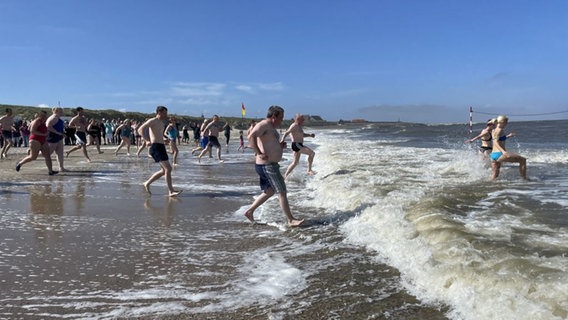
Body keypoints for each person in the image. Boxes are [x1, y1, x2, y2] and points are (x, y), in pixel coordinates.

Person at [244, 105, 304, 227]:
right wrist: (260, 153)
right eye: (280, 118)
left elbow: (268, 142)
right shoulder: (264, 124)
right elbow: (251, 136)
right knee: (281, 191)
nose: (282, 120)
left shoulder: (270, 127)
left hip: (270, 165)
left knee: (269, 191)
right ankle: (290, 220)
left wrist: (279, 146)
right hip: (267, 165)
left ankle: (249, 211)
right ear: (273, 116)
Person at [137, 106, 182, 197]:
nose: (166, 115)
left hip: (161, 146)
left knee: (163, 170)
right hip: (155, 147)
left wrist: (164, 140)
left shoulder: (161, 123)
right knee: (168, 169)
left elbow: (158, 134)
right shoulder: (152, 121)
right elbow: (140, 130)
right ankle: (170, 191)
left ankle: (147, 183)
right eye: (165, 113)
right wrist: (146, 140)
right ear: (159, 112)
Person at [16, 111, 58, 175]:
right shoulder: (37, 121)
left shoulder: (44, 122)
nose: (45, 117)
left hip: (43, 140)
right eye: (43, 115)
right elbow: (32, 131)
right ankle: (20, 163)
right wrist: (43, 134)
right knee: (33, 157)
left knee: (47, 156)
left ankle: (50, 171)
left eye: (45, 115)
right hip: (35, 140)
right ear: (40, 115)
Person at [490, 115, 527, 180]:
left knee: (494, 176)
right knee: (523, 160)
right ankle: (525, 179)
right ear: (502, 122)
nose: (506, 124)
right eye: (506, 122)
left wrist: (508, 136)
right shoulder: (500, 130)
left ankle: (491, 186)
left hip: (493, 155)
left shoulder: (494, 130)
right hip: (500, 154)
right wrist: (503, 152)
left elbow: (499, 139)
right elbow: (495, 142)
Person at [280, 113, 316, 178]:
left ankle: (285, 176)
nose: (304, 120)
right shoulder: (294, 125)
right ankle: (309, 170)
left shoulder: (299, 126)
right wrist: (282, 140)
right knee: (312, 153)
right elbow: (287, 132)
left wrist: (310, 135)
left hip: (299, 145)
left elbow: (302, 135)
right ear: (298, 119)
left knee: (295, 162)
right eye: (302, 119)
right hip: (296, 145)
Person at [46, 107, 68, 172]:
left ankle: (61, 167)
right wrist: (57, 132)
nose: (62, 112)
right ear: (56, 111)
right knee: (48, 152)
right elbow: (48, 126)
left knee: (60, 153)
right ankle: (32, 153)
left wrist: (62, 133)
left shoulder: (58, 118)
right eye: (61, 111)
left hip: (59, 137)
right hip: (53, 136)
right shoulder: (53, 118)